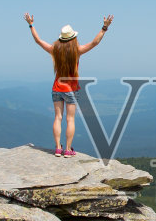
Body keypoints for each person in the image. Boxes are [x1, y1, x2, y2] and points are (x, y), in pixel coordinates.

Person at [25, 12, 113, 156]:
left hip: (56, 88)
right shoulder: (77, 51)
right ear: (73, 38)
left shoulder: (55, 50)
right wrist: (104, 27)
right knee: (70, 119)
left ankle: (58, 148)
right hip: (71, 89)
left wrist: (31, 24)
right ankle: (67, 149)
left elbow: (38, 40)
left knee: (57, 117)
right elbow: (95, 42)